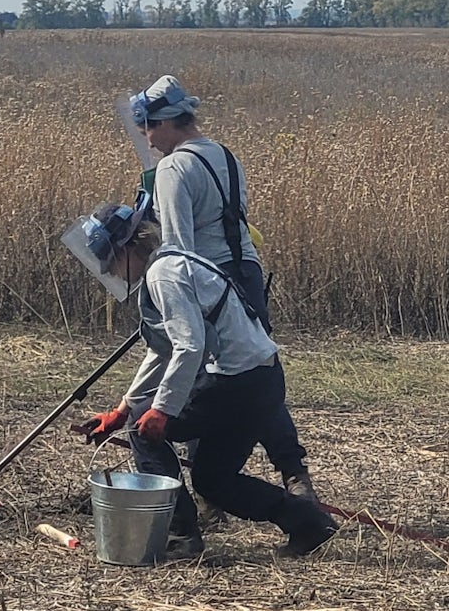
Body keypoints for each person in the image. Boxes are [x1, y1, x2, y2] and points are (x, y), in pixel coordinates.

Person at [65, 200, 338, 559]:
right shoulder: (171, 264)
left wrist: (158, 411)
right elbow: (163, 350)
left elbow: (189, 347)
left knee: (142, 433)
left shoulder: (164, 274)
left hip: (238, 383)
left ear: (131, 247)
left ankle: (180, 537)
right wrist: (123, 408)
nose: (110, 270)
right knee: (213, 480)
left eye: (111, 259)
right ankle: (308, 523)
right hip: (261, 380)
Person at [126, 74, 320, 507]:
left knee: (213, 373)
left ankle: (206, 491)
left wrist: (168, 296)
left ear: (166, 121)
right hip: (246, 271)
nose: (150, 141)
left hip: (211, 281)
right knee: (252, 371)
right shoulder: (223, 154)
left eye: (149, 129)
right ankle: (292, 471)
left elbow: (179, 247)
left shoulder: (174, 167)